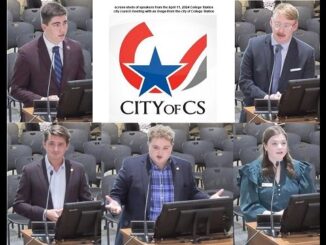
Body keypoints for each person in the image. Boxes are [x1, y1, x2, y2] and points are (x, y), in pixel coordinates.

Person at [105, 124, 224, 245]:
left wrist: (209, 200)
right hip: (139, 232)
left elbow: (192, 193)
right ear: (148, 145)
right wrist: (115, 203)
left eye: (165, 148)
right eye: (155, 147)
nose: (160, 152)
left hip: (171, 232)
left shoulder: (184, 166)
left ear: (172, 147)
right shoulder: (131, 165)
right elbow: (116, 195)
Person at [238, 3, 315, 122]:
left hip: (288, 111)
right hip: (256, 108)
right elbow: (244, 81)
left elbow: (307, 91)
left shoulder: (307, 53)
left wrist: (284, 99)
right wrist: (266, 97)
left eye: (286, 25)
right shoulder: (254, 45)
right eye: (277, 24)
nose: (280, 30)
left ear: (295, 26)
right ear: (271, 22)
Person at [10, 1, 85, 108]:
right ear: (44, 27)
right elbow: (17, 90)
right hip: (40, 110)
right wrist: (42, 100)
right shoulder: (26, 53)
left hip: (69, 110)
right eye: (56, 24)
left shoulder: (76, 48)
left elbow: (81, 84)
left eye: (65, 23)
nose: (62, 29)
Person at [13, 124, 91, 222]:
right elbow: (18, 204)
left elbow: (87, 203)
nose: (56, 149)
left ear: (67, 146)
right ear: (44, 144)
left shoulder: (78, 169)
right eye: (51, 144)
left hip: (69, 227)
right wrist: (44, 213)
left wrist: (72, 212)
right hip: (41, 227)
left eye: (60, 144)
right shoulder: (30, 171)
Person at [239, 125, 316, 222]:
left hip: (294, 222)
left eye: (283, 143)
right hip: (266, 223)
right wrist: (274, 216)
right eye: (274, 143)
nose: (280, 147)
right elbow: (249, 207)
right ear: (266, 146)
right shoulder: (252, 171)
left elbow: (310, 200)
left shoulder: (299, 168)